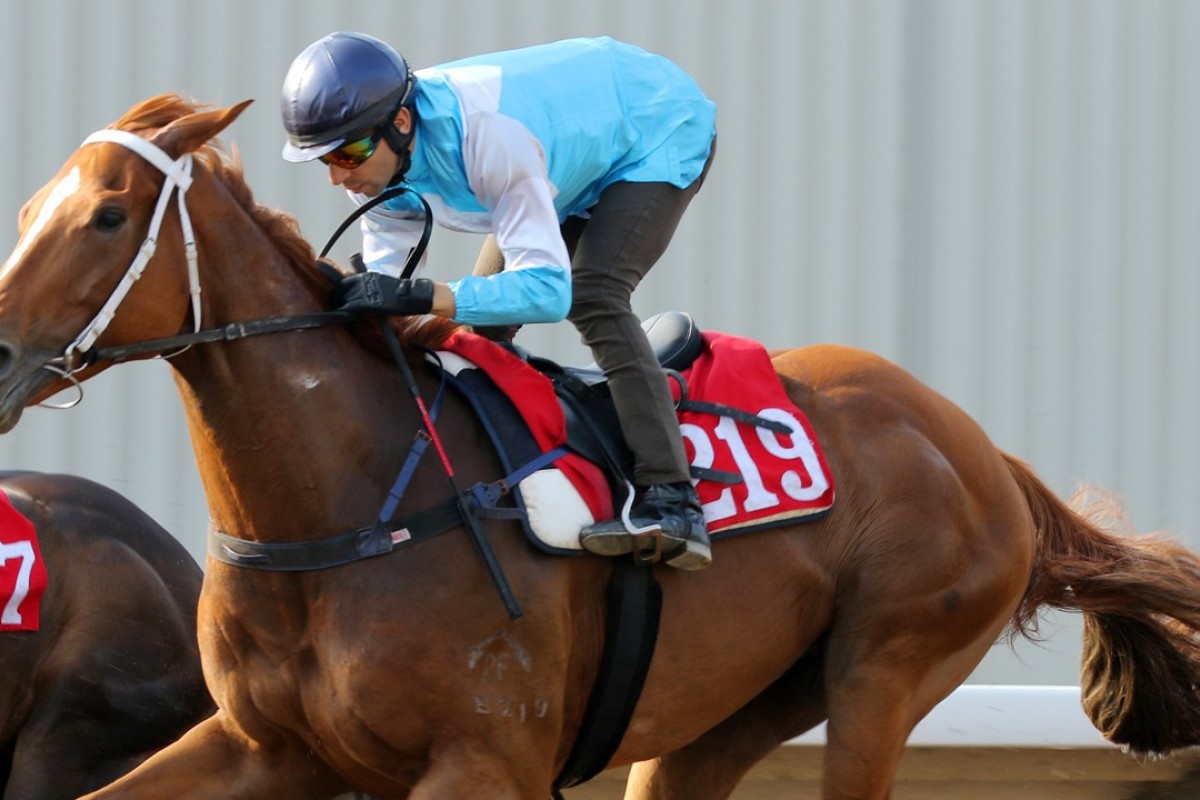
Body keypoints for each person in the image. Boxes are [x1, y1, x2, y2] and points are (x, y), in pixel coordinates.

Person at [280, 32, 717, 570]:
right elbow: (388, 287)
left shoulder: (489, 141)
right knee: (480, 335)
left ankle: (673, 499)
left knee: (593, 294)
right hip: (558, 153)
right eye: (325, 157)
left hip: (653, 125)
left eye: (348, 153)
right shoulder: (377, 156)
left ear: (400, 123)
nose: (337, 175)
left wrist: (424, 296)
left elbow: (547, 292)